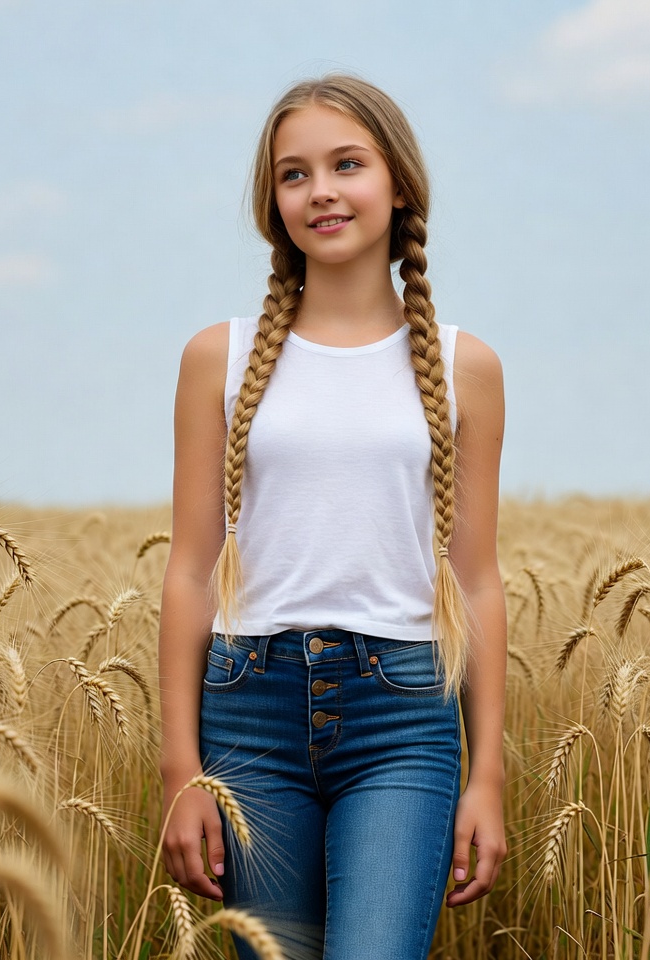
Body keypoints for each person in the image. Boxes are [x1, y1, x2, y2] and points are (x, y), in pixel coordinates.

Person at [158, 74, 507, 960]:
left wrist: (488, 774)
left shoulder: (468, 368)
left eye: (346, 164)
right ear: (274, 205)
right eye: (293, 174)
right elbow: (191, 570)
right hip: (249, 715)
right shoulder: (218, 358)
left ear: (399, 186)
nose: (321, 191)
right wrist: (179, 769)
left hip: (403, 717)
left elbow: (475, 579)